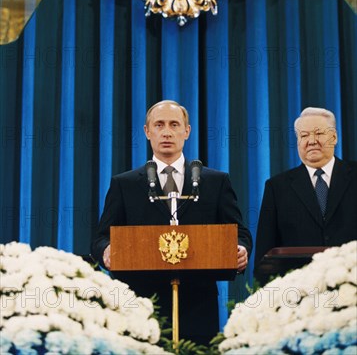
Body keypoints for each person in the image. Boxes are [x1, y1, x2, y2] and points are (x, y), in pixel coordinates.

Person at [91, 100, 252, 345]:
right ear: (147, 131)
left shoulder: (214, 181)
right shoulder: (125, 184)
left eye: (174, 124)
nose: (166, 132)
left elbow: (239, 232)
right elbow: (101, 238)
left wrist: (241, 249)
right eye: (159, 125)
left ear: (186, 131)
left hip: (198, 304)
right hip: (141, 305)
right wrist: (106, 251)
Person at [254, 107, 357, 282]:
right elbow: (265, 255)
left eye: (318, 133)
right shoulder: (277, 187)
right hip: (298, 295)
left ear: (334, 137)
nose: (311, 141)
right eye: (304, 136)